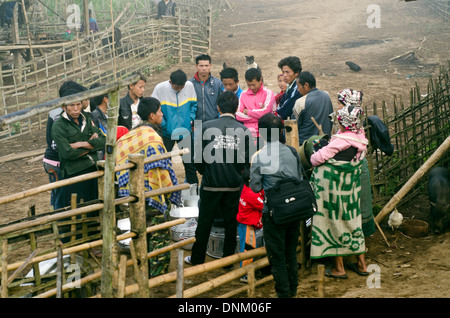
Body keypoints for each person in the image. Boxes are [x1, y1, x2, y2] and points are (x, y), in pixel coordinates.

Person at [184, 91, 252, 266]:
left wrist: (205, 172)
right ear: (237, 108)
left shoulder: (206, 127)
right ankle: (228, 260)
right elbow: (247, 161)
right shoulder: (244, 130)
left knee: (205, 221)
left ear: (218, 107)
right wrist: (237, 175)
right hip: (233, 185)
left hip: (211, 184)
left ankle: (197, 258)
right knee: (231, 223)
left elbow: (197, 158)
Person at [116, 99, 181, 277]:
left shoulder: (129, 136)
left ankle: (142, 268)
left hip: (132, 195)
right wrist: (171, 192)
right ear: (152, 115)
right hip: (153, 195)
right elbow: (163, 168)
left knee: (139, 231)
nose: (162, 114)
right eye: (160, 111)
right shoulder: (152, 137)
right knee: (159, 235)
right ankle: (157, 274)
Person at [309, 104, 369, 279]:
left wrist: (320, 148)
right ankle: (362, 264)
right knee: (353, 222)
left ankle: (339, 268)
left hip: (333, 188)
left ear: (344, 123)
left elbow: (315, 159)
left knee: (334, 222)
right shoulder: (360, 138)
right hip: (350, 189)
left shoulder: (340, 141)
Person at [249, 113, 304, 298]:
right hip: (294, 210)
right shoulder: (292, 152)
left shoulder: (259, 157)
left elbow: (256, 187)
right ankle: (293, 291)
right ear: (281, 131)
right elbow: (299, 178)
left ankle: (284, 294)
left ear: (262, 134)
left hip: (274, 213)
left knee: (277, 256)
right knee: (290, 253)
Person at [51, 87, 106, 209]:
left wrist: (80, 144)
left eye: (78, 104)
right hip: (74, 173)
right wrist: (92, 145)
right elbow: (67, 153)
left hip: (93, 168)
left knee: (95, 206)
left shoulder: (87, 118)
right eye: (72, 105)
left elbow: (103, 140)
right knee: (77, 209)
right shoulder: (59, 125)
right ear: (64, 107)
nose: (76, 108)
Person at [43, 80, 88, 210]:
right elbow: (56, 144)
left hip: (56, 159)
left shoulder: (58, 112)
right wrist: (82, 145)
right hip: (56, 161)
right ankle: (60, 224)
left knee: (57, 192)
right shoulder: (59, 115)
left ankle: (55, 218)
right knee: (60, 195)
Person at [151, 69, 198, 185]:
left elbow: (194, 105)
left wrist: (190, 120)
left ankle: (194, 189)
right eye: (177, 87)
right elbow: (154, 109)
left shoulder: (189, 86)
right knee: (164, 162)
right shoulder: (159, 89)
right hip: (167, 133)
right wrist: (164, 125)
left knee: (190, 163)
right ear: (170, 82)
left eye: (182, 87)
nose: (179, 90)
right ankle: (166, 188)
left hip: (185, 131)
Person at [235, 68, 276, 148]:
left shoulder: (268, 93)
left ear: (260, 80)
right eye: (249, 85)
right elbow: (238, 115)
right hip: (249, 134)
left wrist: (248, 112)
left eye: (254, 84)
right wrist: (260, 116)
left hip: (266, 134)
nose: (252, 87)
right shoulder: (243, 95)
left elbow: (266, 112)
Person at [237, 167, 264, 282]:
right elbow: (263, 205)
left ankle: (250, 269)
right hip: (249, 226)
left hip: (246, 224)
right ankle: (245, 274)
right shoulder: (252, 195)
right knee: (248, 249)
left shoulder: (245, 188)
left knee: (250, 247)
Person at [292, 71, 334, 145]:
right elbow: (331, 119)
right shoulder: (326, 95)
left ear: (306, 85)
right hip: (324, 141)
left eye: (298, 86)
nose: (298, 90)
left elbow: (293, 127)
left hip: (306, 145)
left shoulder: (301, 102)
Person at [190, 54, 224, 123]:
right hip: (196, 123)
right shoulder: (190, 84)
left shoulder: (218, 83)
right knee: (197, 134)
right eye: (201, 66)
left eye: (206, 65)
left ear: (210, 66)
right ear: (196, 66)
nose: (204, 68)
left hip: (214, 121)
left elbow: (221, 103)